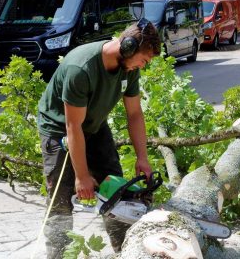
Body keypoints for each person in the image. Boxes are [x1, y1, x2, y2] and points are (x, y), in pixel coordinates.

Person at [37, 18, 161, 258]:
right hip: (60, 129)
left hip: (94, 124)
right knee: (61, 200)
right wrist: (82, 177)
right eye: (144, 60)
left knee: (117, 189)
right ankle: (58, 254)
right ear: (128, 48)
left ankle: (126, 250)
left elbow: (135, 114)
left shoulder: (129, 67)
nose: (143, 66)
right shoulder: (81, 68)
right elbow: (73, 126)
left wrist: (142, 158)